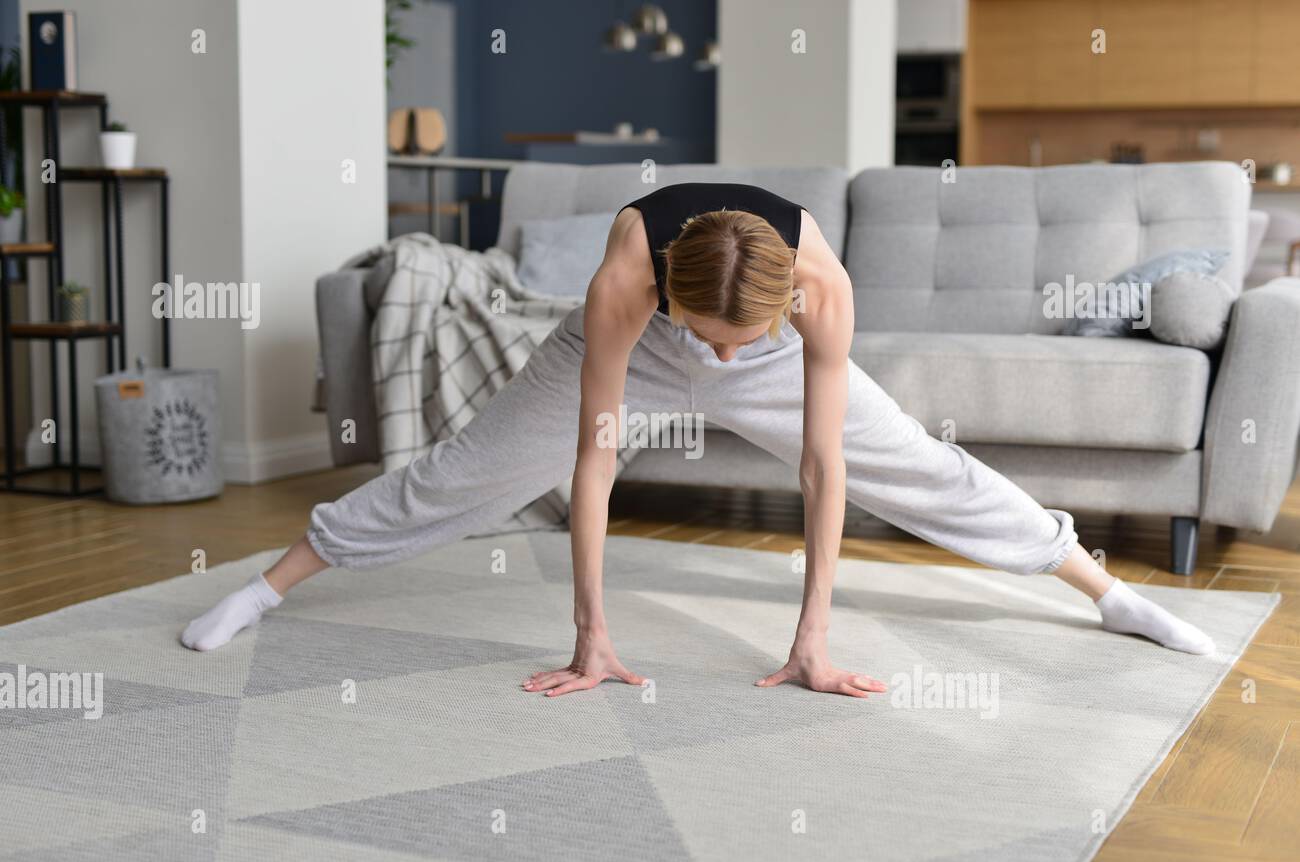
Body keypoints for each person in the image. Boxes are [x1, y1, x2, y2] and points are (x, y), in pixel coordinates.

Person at [181, 182, 1215, 695]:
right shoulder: (624, 286)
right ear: (668, 294)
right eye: (707, 338)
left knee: (925, 468)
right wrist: (589, 631)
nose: (717, 366)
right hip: (637, 346)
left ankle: (1108, 592)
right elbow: (593, 464)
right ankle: (265, 586)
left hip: (774, 350)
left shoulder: (819, 294)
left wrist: (812, 636)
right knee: (467, 473)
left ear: (784, 304)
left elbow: (823, 468)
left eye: (740, 339)